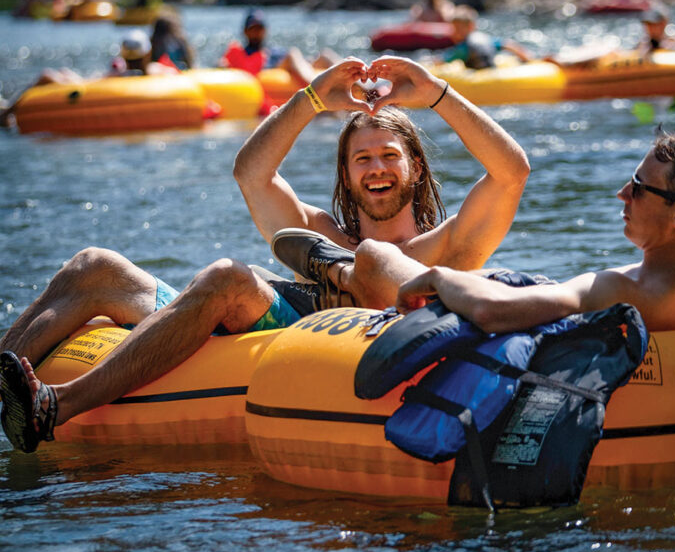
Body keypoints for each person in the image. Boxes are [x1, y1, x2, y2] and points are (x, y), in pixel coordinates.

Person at [0, 56, 530, 453]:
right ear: (346, 175)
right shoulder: (317, 229)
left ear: (414, 165)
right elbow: (252, 172)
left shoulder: (450, 246)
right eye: (362, 159)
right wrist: (313, 98)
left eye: (389, 156)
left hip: (361, 340)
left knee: (297, 267)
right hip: (280, 319)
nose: (376, 169)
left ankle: (57, 405)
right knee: (96, 266)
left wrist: (437, 93)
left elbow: (512, 172)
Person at [269, 131, 675, 335]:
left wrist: (440, 279)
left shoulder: (619, 290)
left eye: (639, 187)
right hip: (547, 295)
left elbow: (489, 309)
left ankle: (336, 266)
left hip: (518, 306)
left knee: (378, 257)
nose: (622, 194)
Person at [0, 31, 176, 127]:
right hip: (91, 87)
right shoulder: (154, 70)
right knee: (60, 72)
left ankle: (8, 112)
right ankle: (8, 111)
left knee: (47, 75)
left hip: (89, 86)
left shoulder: (125, 73)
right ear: (147, 53)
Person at [220, 9, 339, 85]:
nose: (257, 32)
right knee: (292, 53)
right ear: (245, 31)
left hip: (296, 66)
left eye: (260, 28)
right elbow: (224, 64)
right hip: (274, 70)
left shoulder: (272, 50)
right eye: (253, 29)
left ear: (265, 30)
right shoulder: (243, 53)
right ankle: (317, 86)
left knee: (325, 55)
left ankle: (356, 85)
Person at [432, 5, 534, 69]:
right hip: (492, 70)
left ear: (471, 27)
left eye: (458, 29)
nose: (454, 33)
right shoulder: (484, 38)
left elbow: (442, 61)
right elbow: (509, 45)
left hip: (481, 77)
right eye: (454, 29)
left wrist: (434, 63)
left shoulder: (463, 48)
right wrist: (528, 59)